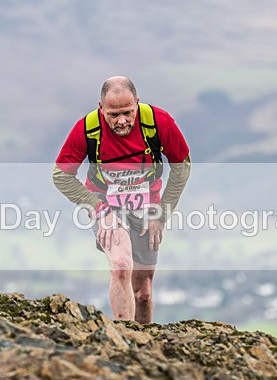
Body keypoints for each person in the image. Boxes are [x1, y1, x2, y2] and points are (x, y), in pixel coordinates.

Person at [53, 76, 191, 323]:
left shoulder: (158, 122)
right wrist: (98, 209)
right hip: (105, 204)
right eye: (113, 114)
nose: (121, 121)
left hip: (147, 205)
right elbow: (61, 176)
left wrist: (162, 213)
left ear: (137, 103)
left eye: (127, 112)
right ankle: (124, 341)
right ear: (101, 108)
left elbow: (182, 167)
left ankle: (144, 344)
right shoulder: (87, 128)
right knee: (120, 265)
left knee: (143, 293)